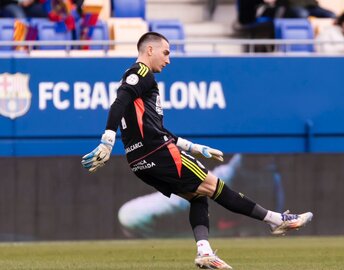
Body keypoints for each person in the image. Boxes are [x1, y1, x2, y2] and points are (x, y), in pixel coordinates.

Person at [81, 32, 313, 269]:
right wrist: (107, 139)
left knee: (198, 195)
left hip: (139, 161)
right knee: (216, 186)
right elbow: (119, 102)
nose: (168, 60)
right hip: (159, 153)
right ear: (149, 50)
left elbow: (155, 128)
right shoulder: (140, 73)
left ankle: (205, 252)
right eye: (166, 52)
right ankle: (276, 220)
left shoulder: (142, 83)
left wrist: (194, 147)